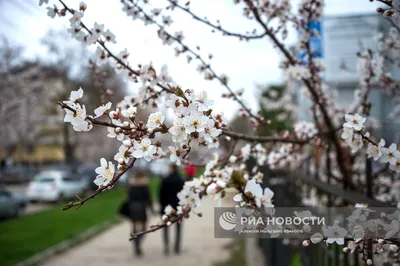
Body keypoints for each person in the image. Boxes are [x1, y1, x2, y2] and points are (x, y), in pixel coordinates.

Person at [159, 164, 185, 255]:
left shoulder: (165, 180)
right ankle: (177, 246)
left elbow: (161, 195)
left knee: (165, 227)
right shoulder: (181, 180)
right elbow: (184, 195)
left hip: (166, 207)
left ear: (172, 169)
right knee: (178, 228)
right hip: (178, 208)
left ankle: (166, 245)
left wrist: (162, 207)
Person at [127, 169, 153, 256]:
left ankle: (135, 244)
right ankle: (138, 242)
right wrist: (151, 207)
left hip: (133, 207)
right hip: (142, 207)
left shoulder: (131, 184)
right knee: (144, 228)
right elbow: (148, 197)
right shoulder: (144, 185)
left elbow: (129, 197)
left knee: (134, 227)